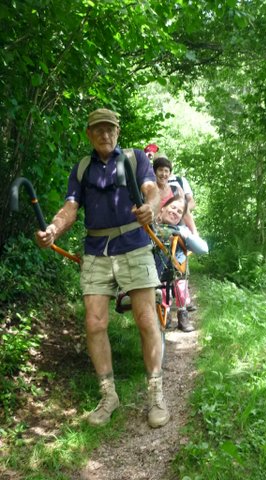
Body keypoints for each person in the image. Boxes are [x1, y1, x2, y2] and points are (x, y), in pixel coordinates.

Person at [35, 108, 170, 429]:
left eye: (110, 129)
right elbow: (70, 207)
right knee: (94, 322)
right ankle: (108, 395)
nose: (105, 134)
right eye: (98, 130)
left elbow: (153, 191)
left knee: (146, 317)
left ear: (118, 131)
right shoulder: (82, 168)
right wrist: (54, 229)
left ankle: (156, 394)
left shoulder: (136, 159)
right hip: (96, 249)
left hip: (134, 245)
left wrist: (151, 209)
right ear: (89, 134)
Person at [154, 195, 208, 332]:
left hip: (176, 267)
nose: (175, 212)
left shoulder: (181, 230)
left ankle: (182, 314)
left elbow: (203, 249)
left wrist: (183, 234)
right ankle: (164, 313)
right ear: (163, 208)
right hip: (153, 269)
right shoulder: (151, 225)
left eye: (179, 212)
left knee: (180, 280)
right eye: (173, 207)